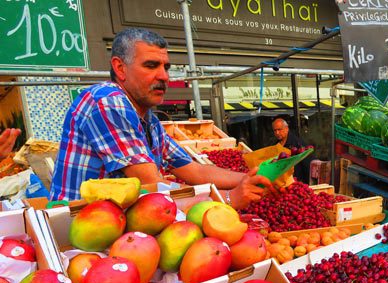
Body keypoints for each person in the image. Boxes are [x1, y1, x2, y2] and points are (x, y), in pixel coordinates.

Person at [50, 28, 272, 209]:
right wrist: (228, 198)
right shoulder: (107, 101)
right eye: (151, 65)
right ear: (120, 68)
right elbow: (152, 185)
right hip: (77, 233)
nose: (164, 76)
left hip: (118, 230)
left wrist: (250, 178)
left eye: (166, 67)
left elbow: (195, 170)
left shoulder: (150, 121)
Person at [271, 118, 310, 182]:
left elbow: (306, 165)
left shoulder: (297, 144)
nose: (277, 133)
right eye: (275, 130)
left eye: (279, 129)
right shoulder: (275, 145)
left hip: (297, 182)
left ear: (286, 129)